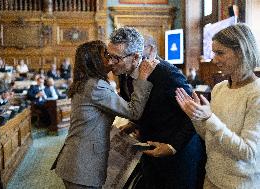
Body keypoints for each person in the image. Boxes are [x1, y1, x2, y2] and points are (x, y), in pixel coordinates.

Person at [108, 27, 203, 189]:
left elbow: (194, 115)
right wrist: (134, 124)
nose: (110, 62)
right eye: (109, 55)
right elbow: (146, 107)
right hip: (149, 150)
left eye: (116, 58)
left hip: (179, 156)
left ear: (136, 57)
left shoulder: (166, 74)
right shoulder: (123, 74)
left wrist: (172, 147)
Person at [54, 40, 156, 189]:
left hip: (76, 160)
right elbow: (133, 112)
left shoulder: (87, 82)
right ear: (95, 61)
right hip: (82, 166)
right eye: (106, 55)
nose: (111, 59)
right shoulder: (95, 86)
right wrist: (143, 78)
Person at [176, 23, 260, 189]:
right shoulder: (220, 88)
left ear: (241, 52)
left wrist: (209, 118)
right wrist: (195, 116)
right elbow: (211, 136)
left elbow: (248, 153)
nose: (214, 60)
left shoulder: (256, 94)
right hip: (212, 178)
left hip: (240, 184)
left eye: (220, 53)